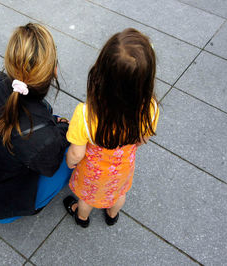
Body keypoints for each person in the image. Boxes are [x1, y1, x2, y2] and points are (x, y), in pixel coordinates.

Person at [0, 23, 71, 223]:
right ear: (54, 72)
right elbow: (49, 167)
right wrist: (64, 129)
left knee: (49, 117)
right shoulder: (41, 137)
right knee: (72, 155)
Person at [63, 28, 159, 228]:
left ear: (101, 74)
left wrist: (70, 162)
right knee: (119, 193)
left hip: (93, 172)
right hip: (123, 168)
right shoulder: (151, 108)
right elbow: (142, 140)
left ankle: (81, 218)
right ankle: (112, 215)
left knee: (87, 199)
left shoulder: (85, 114)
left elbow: (76, 152)